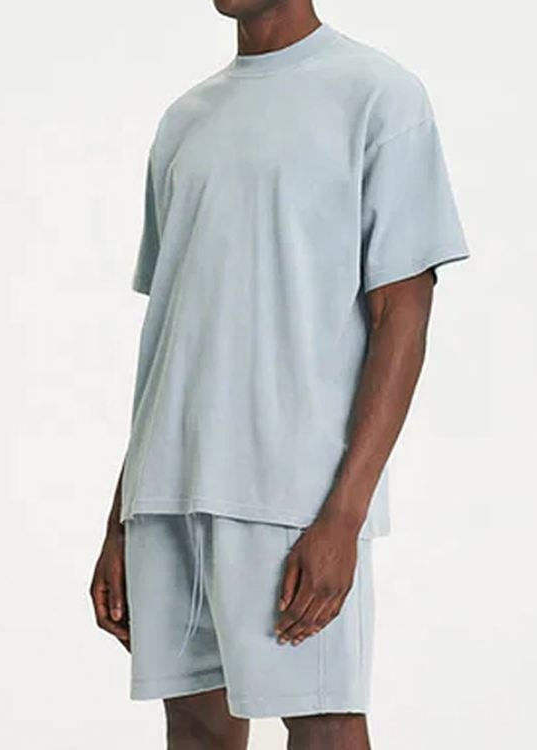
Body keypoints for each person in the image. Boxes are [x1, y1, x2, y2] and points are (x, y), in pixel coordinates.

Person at [90, 1, 468, 747]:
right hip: (168, 489)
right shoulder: (185, 120)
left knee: (324, 723)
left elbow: (403, 314)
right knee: (195, 726)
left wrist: (344, 516)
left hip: (291, 490)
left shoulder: (376, 94)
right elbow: (174, 335)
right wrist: (120, 517)